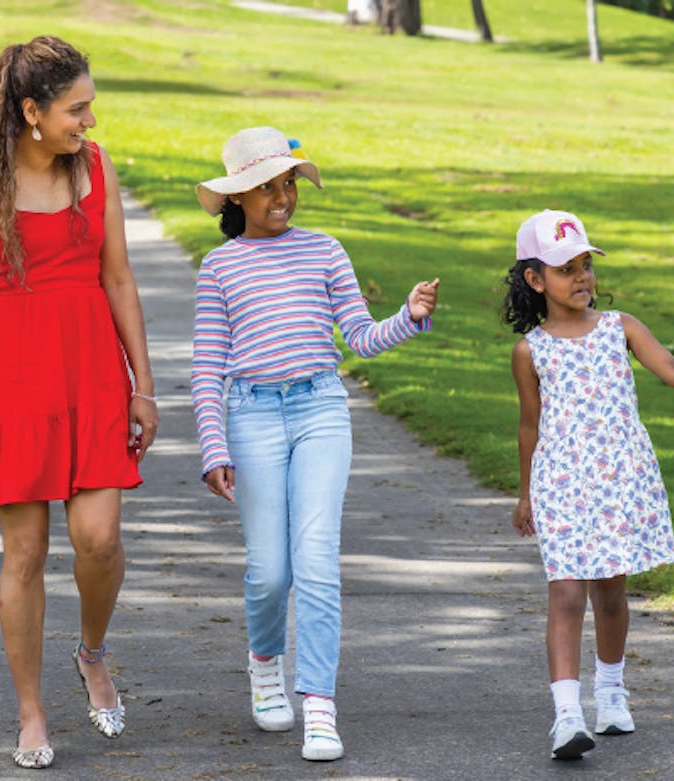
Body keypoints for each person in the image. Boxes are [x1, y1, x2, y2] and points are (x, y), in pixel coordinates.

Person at [0, 36, 158, 770]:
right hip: (8, 379)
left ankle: (92, 651)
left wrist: (142, 383)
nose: (89, 121)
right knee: (24, 552)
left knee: (100, 539)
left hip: (90, 370)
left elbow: (118, 278)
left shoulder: (94, 169)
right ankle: (31, 711)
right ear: (30, 111)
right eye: (76, 108)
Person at [190, 126, 439, 762]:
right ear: (238, 197)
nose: (283, 197)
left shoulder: (325, 250)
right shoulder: (219, 266)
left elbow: (358, 335)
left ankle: (320, 706)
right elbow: (207, 367)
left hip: (320, 409)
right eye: (267, 187)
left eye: (289, 184)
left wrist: (407, 317)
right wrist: (213, 446)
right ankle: (265, 662)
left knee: (318, 559)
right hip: (252, 417)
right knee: (271, 570)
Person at [502, 209, 674, 760]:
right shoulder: (530, 350)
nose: (582, 277)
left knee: (610, 591)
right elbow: (529, 424)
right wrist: (525, 492)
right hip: (561, 483)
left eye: (587, 265)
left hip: (617, 479)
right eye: (567, 269)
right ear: (535, 280)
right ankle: (567, 716)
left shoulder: (620, 328)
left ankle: (611, 691)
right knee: (565, 593)